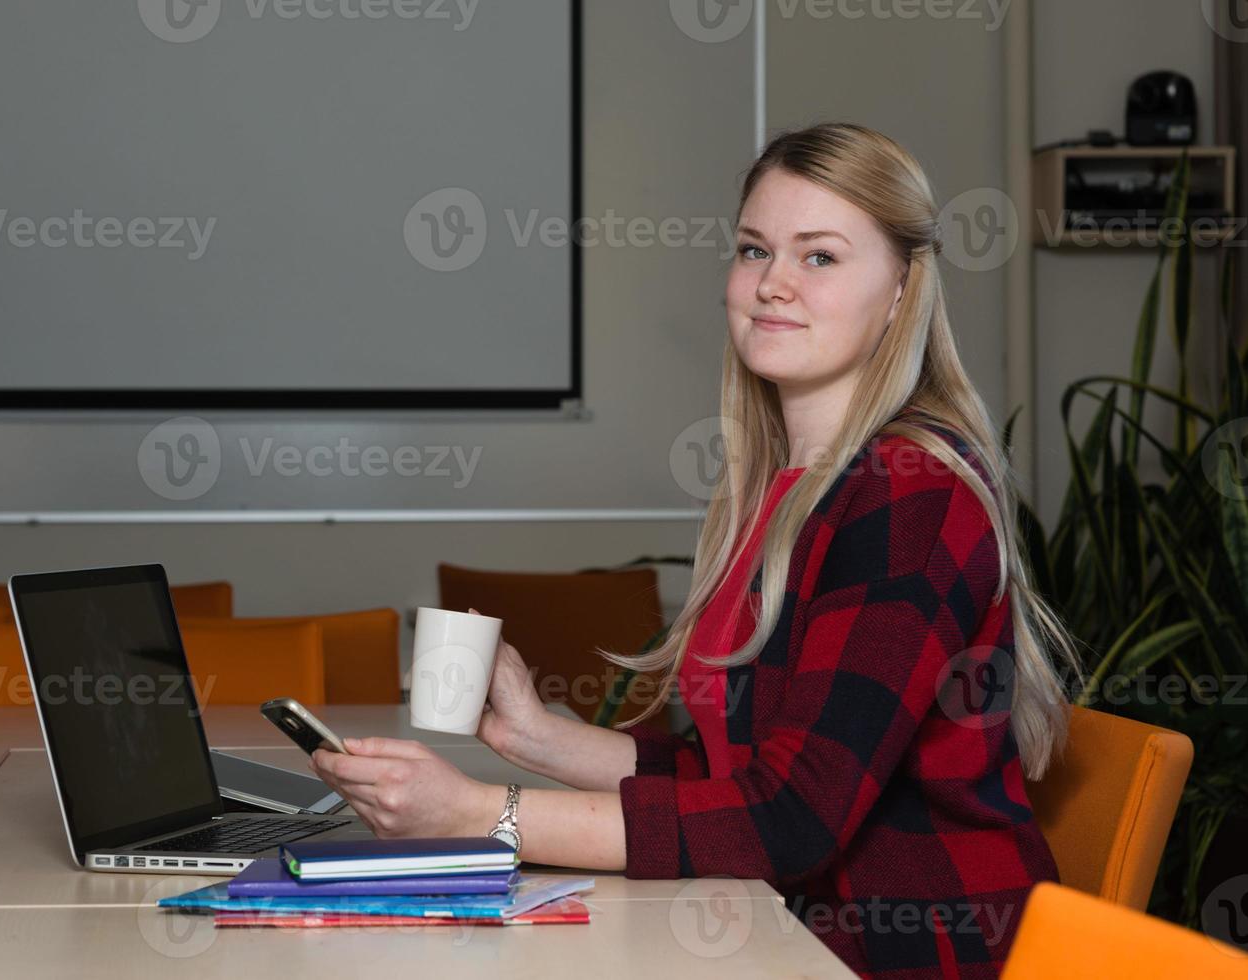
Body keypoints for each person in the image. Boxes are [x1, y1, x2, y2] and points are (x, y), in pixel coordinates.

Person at [309, 122, 1080, 978]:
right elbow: (738, 772)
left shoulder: (910, 492)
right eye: (754, 250)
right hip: (783, 931)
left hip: (908, 954)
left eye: (818, 257)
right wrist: (541, 739)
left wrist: (479, 814)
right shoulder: (787, 488)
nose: (772, 284)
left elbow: (790, 817)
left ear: (901, 289)